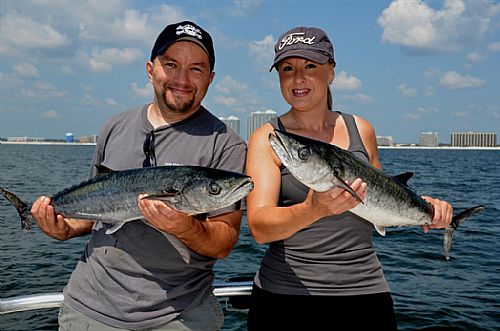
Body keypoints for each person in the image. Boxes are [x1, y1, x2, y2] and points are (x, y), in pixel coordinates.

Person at [30, 20, 247, 331]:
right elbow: (99, 211)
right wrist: (63, 228)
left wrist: (184, 227)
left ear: (210, 78)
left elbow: (224, 241)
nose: (182, 79)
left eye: (196, 69)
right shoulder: (114, 127)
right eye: (171, 64)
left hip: (178, 315)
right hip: (89, 308)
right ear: (150, 69)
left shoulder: (226, 143)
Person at [245, 26, 453, 330]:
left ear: (331, 71)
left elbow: (383, 201)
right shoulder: (269, 138)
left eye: (310, 66)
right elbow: (260, 227)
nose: (298, 78)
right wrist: (313, 209)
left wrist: (427, 211)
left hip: (365, 293)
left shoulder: (362, 130)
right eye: (287, 68)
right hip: (285, 296)